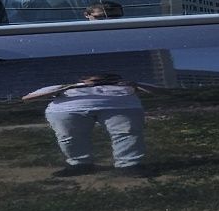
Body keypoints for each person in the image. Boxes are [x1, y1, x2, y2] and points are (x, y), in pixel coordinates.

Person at [23, 67, 156, 176]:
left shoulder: (126, 86)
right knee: (69, 137)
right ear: (83, 79)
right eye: (95, 79)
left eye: (106, 79)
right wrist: (66, 88)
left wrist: (135, 85)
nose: (101, 81)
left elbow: (162, 91)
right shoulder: (66, 87)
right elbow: (28, 98)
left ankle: (129, 165)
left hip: (121, 107)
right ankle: (79, 164)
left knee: (127, 134)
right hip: (68, 110)